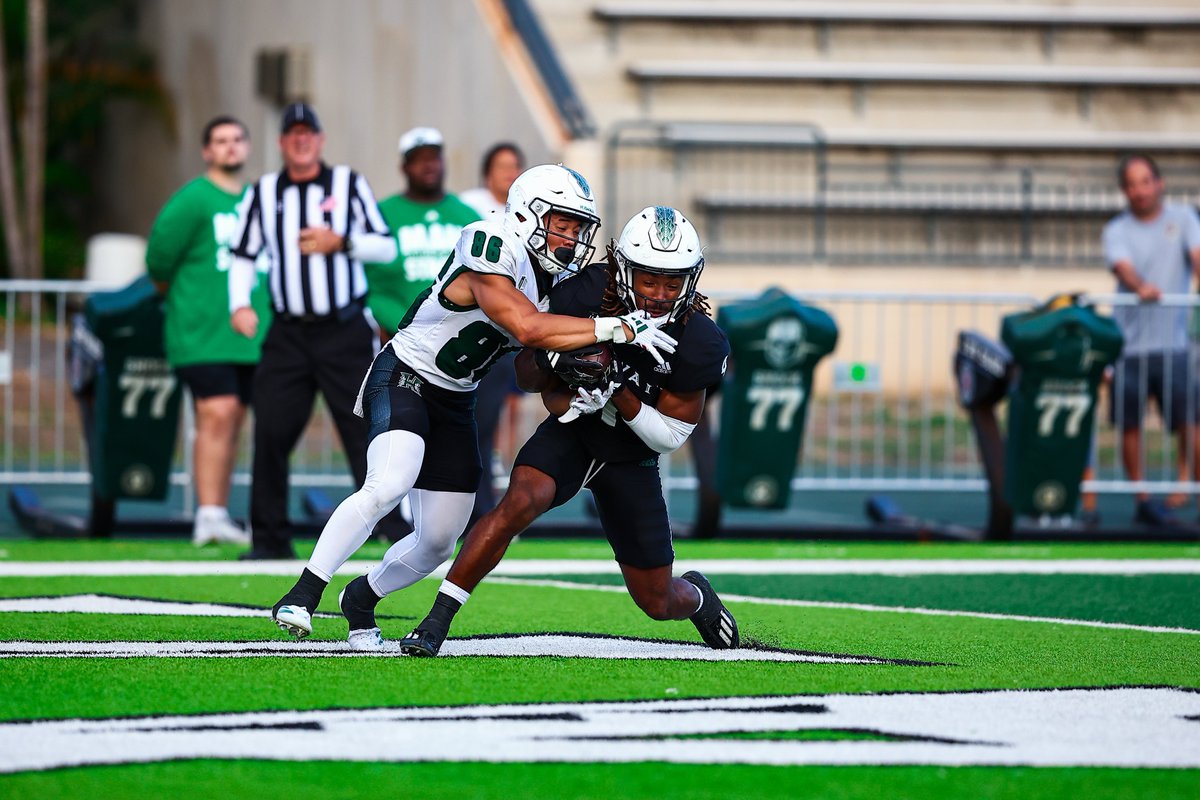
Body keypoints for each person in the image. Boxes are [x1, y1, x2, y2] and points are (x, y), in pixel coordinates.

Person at [268, 166, 679, 648]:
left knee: (438, 541)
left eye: (576, 229)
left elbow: (534, 362)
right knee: (389, 484)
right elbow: (526, 327)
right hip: (407, 373)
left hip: (458, 399)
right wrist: (618, 328)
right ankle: (302, 593)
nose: (569, 239)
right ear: (528, 213)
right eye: (560, 225)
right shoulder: (490, 241)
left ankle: (360, 598)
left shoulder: (554, 276)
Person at [393, 206, 739, 657]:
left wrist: (618, 391)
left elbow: (669, 435)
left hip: (631, 456)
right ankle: (436, 620)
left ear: (690, 280)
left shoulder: (700, 340)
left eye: (671, 282)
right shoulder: (587, 291)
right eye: (648, 279)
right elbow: (526, 373)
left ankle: (696, 596)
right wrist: (555, 363)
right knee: (517, 504)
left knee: (657, 600)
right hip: (575, 430)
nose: (658, 293)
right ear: (623, 271)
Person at [228, 102, 398, 560]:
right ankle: (268, 539)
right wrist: (239, 303)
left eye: (308, 133)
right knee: (271, 431)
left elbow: (385, 247)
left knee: (365, 428)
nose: (301, 140)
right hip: (288, 334)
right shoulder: (263, 193)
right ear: (282, 142)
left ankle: (390, 529)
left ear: (320, 140)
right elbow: (244, 254)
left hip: (342, 329)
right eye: (292, 134)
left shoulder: (348, 185)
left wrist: (340, 242)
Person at [145, 115, 266, 547]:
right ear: (206, 150)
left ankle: (218, 512)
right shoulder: (193, 200)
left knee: (234, 419)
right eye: (220, 140)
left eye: (237, 138)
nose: (230, 147)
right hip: (202, 331)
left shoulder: (260, 198)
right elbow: (159, 260)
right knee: (216, 413)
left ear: (247, 147)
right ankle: (208, 514)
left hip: (252, 333)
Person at [1103, 154, 1200, 524]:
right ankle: (1143, 500)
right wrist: (1141, 286)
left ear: (1159, 183)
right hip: (1128, 346)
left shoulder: (1184, 219)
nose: (1140, 190)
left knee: (1190, 422)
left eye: (1146, 181)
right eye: (1132, 184)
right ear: (1124, 190)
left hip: (1173, 345)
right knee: (1130, 424)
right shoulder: (1116, 230)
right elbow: (1122, 266)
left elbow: (1197, 255)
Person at [459, 143, 528, 524]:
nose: (508, 173)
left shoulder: (530, 215)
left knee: (493, 419)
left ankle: (487, 504)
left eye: (514, 166)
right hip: (474, 327)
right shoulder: (466, 208)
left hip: (506, 334)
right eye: (501, 166)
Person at [364, 127, 482, 340]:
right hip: (396, 337)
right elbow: (365, 279)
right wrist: (383, 322)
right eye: (419, 160)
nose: (428, 165)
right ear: (404, 168)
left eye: (433, 158)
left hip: (458, 339)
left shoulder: (466, 214)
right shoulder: (380, 214)